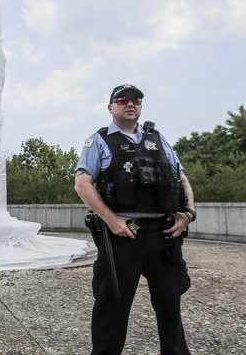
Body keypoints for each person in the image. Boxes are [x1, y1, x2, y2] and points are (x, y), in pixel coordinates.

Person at [74, 84, 196, 355]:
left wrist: (188, 213)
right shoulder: (100, 140)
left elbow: (182, 177)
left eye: (136, 100)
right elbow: (82, 183)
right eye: (123, 99)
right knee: (112, 307)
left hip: (164, 236)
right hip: (124, 235)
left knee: (170, 306)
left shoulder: (158, 138)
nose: (130, 103)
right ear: (111, 107)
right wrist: (111, 220)